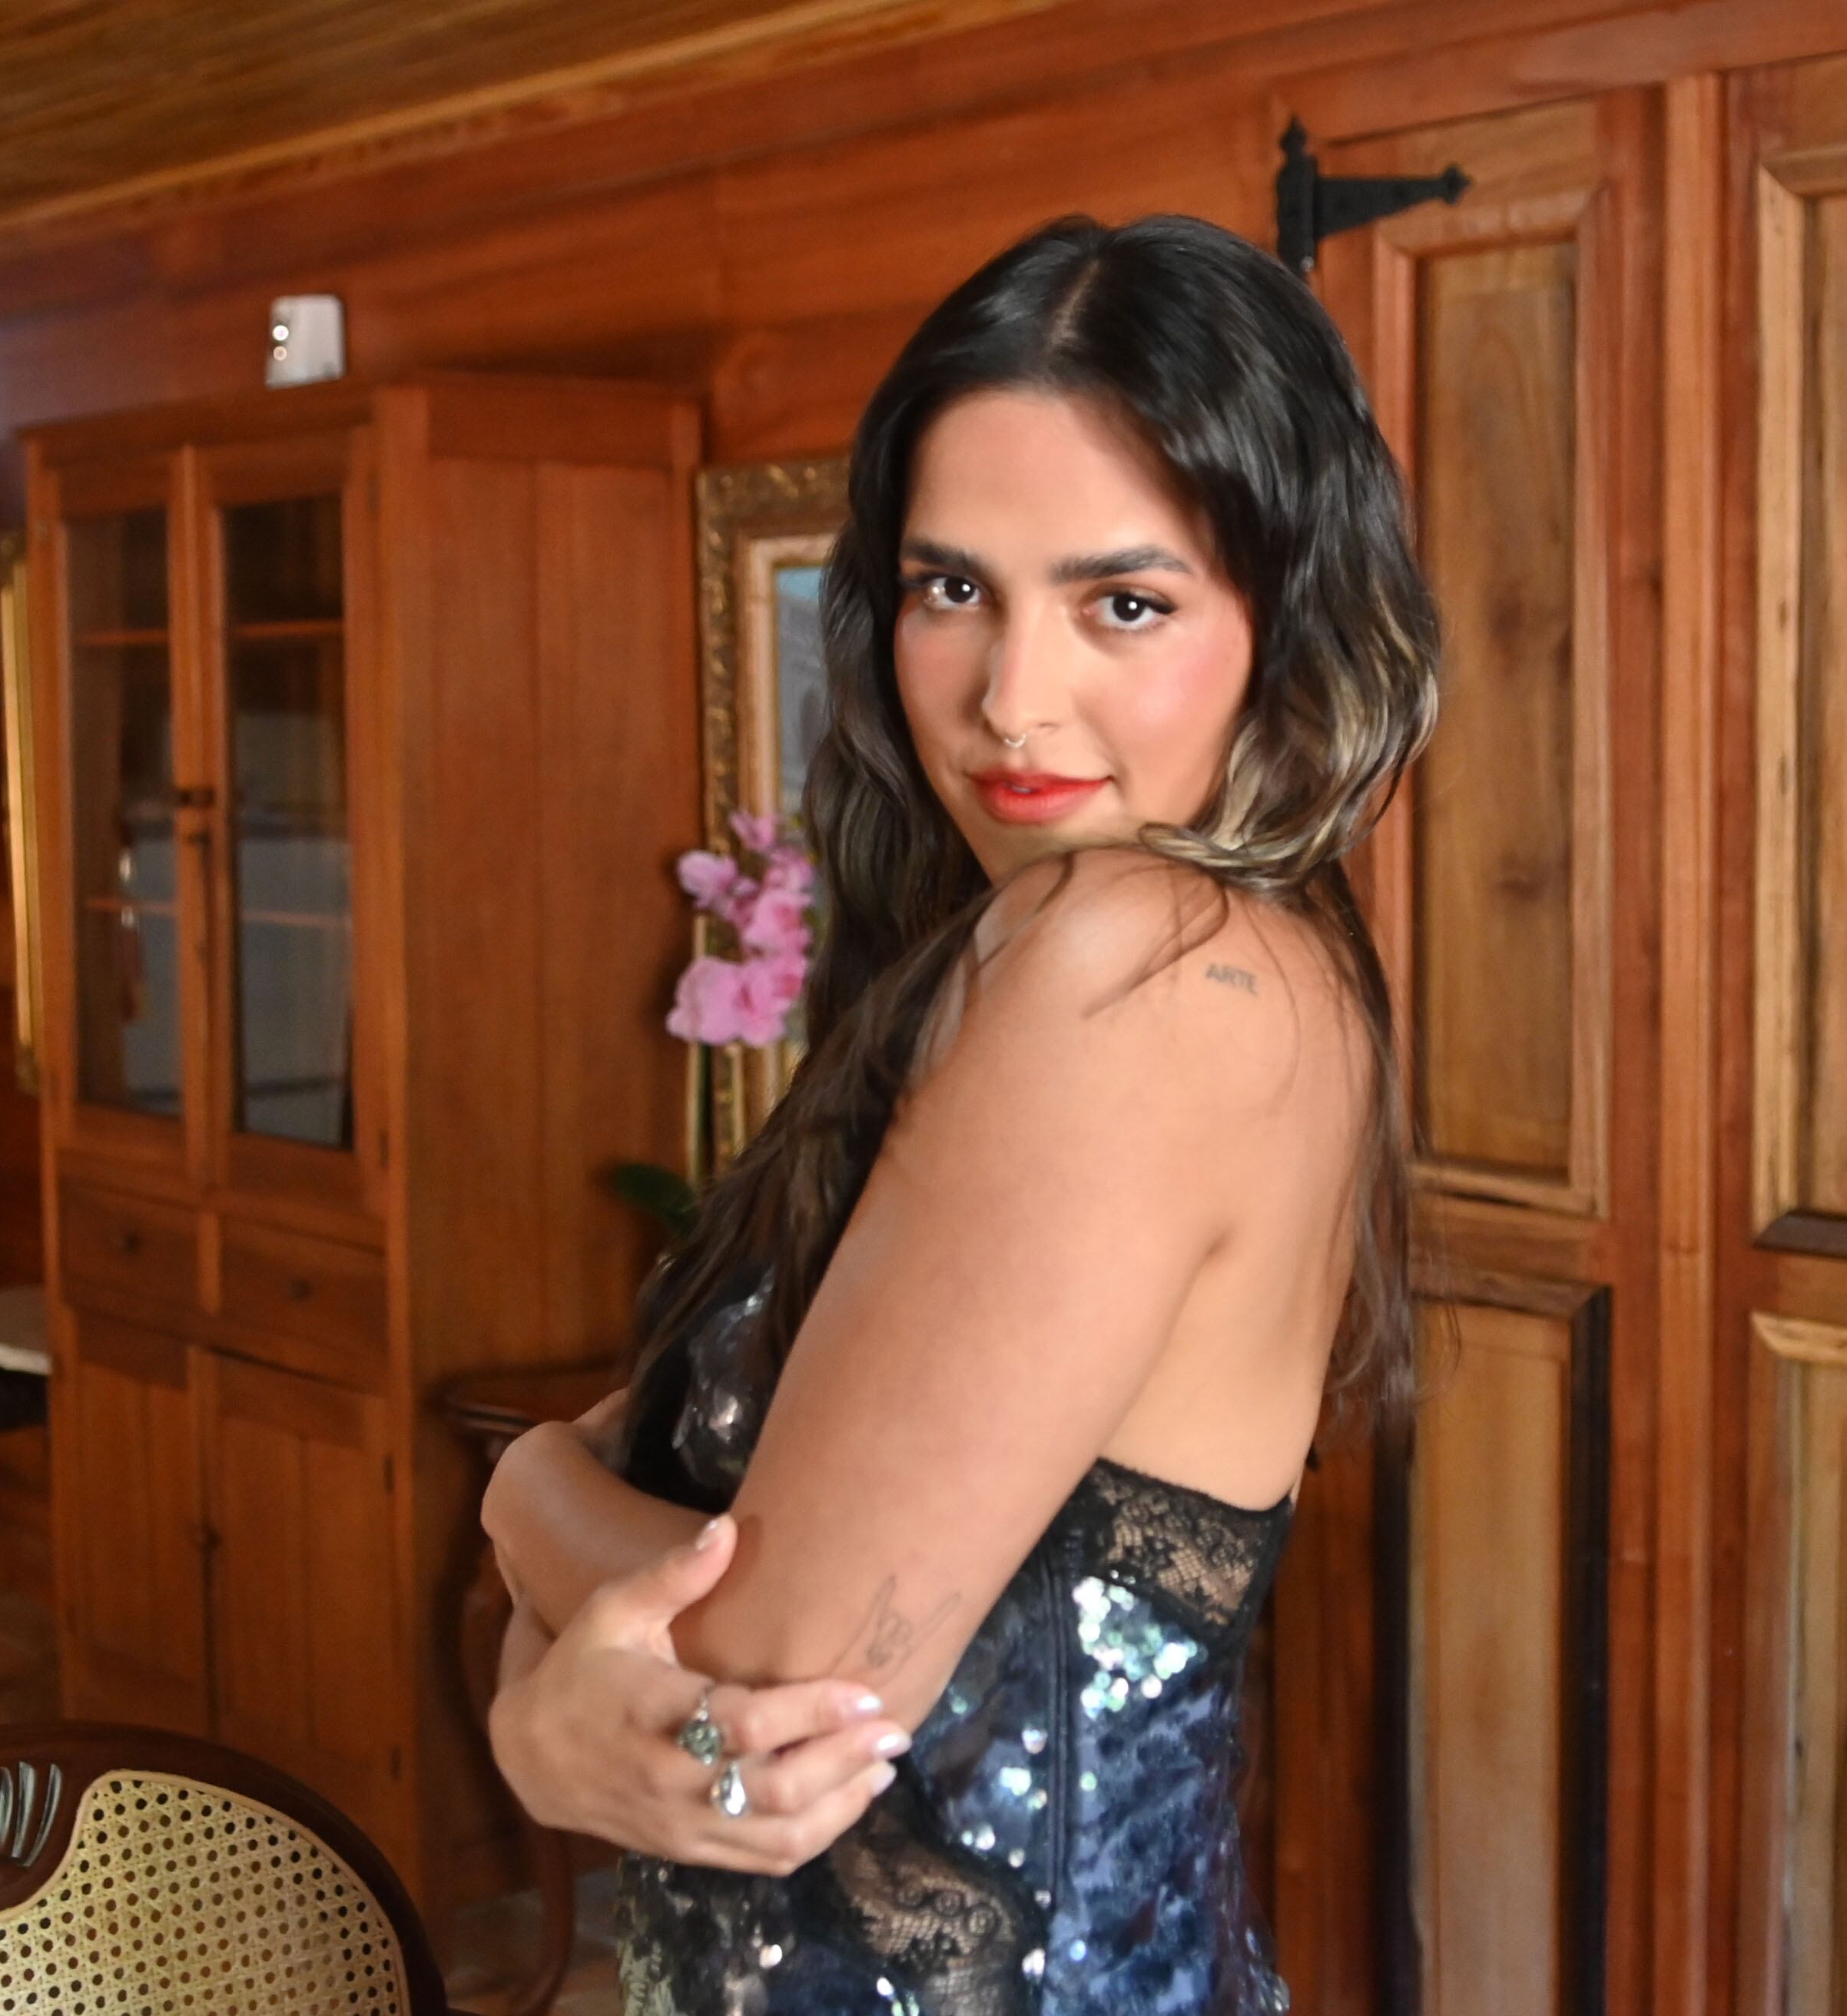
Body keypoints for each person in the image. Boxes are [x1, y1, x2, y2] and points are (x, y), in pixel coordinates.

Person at [479, 210, 1441, 2014]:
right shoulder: (1078, 952)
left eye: (1124, 603)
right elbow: (691, 1523)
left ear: (1283, 620)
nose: (1011, 698)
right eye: (953, 590)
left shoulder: (1139, 960)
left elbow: (779, 1673)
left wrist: (521, 1498)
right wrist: (558, 1707)